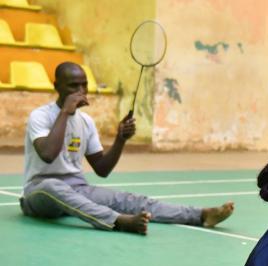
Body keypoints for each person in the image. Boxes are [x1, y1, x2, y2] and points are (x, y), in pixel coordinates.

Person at [20, 62, 234, 235]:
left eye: (83, 85)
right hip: (39, 192)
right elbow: (47, 155)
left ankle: (201, 215)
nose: (80, 91)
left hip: (78, 188)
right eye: (73, 86)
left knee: (129, 200)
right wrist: (65, 112)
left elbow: (102, 169)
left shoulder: (86, 122)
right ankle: (118, 221)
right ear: (56, 86)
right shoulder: (40, 116)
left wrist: (120, 139)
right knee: (53, 187)